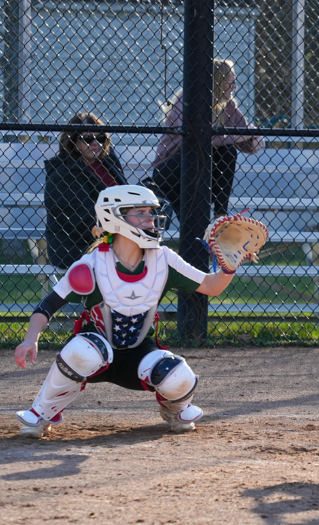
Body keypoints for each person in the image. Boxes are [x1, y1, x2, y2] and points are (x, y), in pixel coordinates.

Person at [14, 185, 238, 438]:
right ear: (114, 217)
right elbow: (47, 306)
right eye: (141, 211)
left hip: (140, 356)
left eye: (151, 212)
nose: (151, 218)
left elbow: (211, 286)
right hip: (94, 355)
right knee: (82, 351)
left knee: (177, 375)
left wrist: (228, 268)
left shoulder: (163, 259)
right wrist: (30, 339)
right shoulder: (92, 264)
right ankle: (41, 413)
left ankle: (175, 408)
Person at [147, 58, 265, 220]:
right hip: (172, 169)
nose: (235, 87)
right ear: (219, 83)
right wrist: (244, 135)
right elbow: (199, 140)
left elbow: (242, 135)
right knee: (203, 153)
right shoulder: (189, 99)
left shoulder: (227, 103)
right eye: (231, 83)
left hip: (203, 171)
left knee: (226, 151)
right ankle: (196, 222)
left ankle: (220, 216)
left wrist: (254, 138)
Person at [44, 112, 129, 269]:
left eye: (101, 138)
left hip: (117, 236)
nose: (96, 143)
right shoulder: (63, 174)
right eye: (88, 139)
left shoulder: (108, 162)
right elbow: (82, 222)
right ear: (73, 141)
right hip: (78, 246)